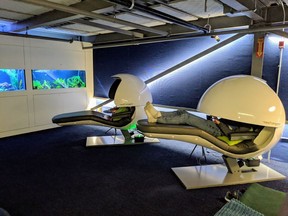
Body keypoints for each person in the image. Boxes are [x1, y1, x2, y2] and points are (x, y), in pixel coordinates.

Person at [144, 101, 222, 137]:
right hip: (215, 125)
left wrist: (220, 123)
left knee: (185, 117)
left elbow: (229, 131)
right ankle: (158, 114)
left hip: (217, 130)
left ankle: (157, 119)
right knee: (182, 112)